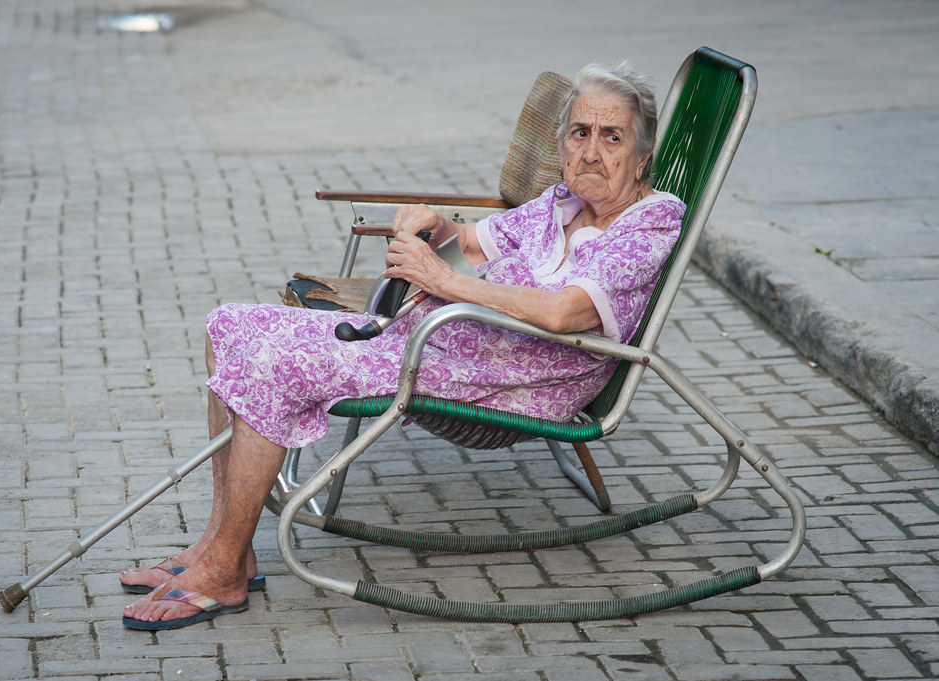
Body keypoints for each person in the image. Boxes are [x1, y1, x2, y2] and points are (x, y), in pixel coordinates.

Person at [120, 60, 686, 630]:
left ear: (641, 158)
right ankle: (226, 544)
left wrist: (441, 281)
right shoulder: (557, 204)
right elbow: (467, 242)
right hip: (437, 342)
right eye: (579, 133)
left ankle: (222, 575)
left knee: (274, 364)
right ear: (563, 144)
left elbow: (569, 312)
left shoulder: (648, 223)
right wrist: (432, 229)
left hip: (504, 383)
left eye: (612, 137)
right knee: (230, 325)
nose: (591, 152)